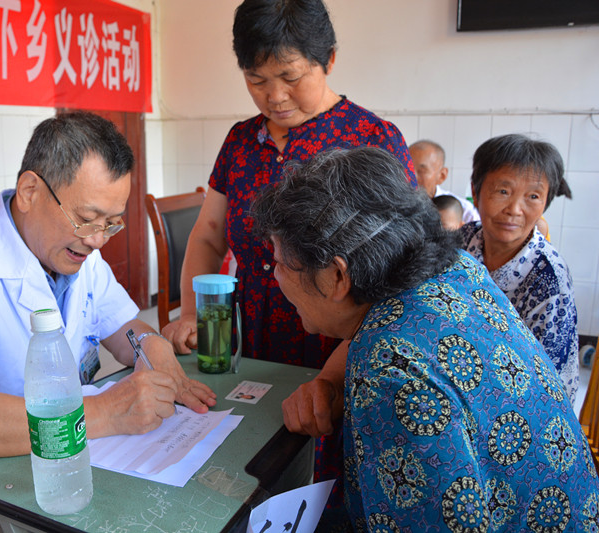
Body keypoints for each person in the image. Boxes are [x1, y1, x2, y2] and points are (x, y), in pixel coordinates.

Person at [0, 112, 217, 533]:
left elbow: (125, 326)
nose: (97, 240)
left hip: (52, 469)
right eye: (87, 218)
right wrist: (104, 412)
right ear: (29, 191)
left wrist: (152, 346)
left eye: (111, 223)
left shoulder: (77, 257)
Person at [250, 145, 599, 530]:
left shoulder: (389, 370)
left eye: (279, 261)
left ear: (337, 276)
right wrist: (330, 381)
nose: (275, 275)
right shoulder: (456, 268)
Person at [162, 0, 416, 488]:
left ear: (329, 60)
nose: (274, 96)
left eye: (291, 76)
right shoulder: (241, 140)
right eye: (256, 79)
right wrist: (191, 313)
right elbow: (210, 234)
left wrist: (332, 380)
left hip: (336, 352)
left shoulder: (372, 138)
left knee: (324, 474)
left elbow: (396, 280)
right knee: (250, 465)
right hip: (251, 342)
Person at [461, 133, 578, 402]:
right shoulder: (460, 243)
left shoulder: (550, 278)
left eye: (533, 196)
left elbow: (548, 384)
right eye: (503, 191)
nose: (514, 209)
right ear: (476, 193)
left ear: (545, 202)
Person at [409, 139, 480, 223]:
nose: (410, 177)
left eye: (422, 171)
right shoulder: (397, 206)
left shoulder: (464, 213)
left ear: (442, 176)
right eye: (407, 170)